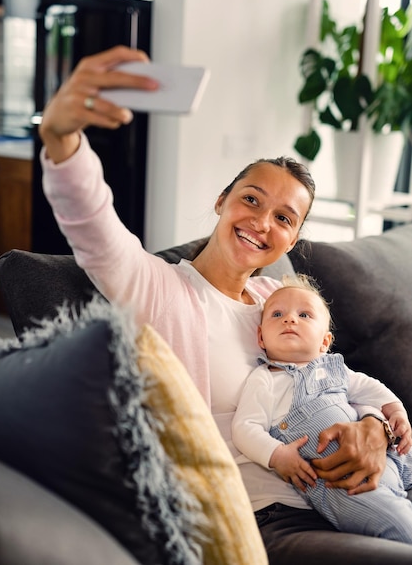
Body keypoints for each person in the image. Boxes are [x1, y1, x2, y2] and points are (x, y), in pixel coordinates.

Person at [38, 45, 406, 560]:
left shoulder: (275, 301)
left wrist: (377, 426)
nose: (262, 222)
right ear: (221, 200)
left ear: (293, 240)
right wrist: (61, 138)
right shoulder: (162, 289)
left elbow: (337, 381)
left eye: (284, 217)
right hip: (264, 519)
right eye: (251, 199)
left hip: (344, 499)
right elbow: (93, 228)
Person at [232, 274, 412, 543]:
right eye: (277, 314)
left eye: (304, 315)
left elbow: (371, 388)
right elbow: (245, 428)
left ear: (325, 343)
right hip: (344, 485)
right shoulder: (265, 378)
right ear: (261, 337)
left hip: (392, 456)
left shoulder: (335, 369)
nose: (289, 319)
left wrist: (396, 411)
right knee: (398, 525)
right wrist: (276, 455)